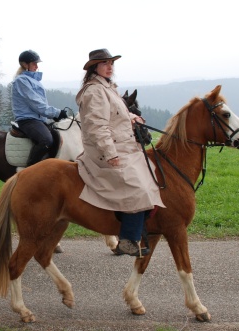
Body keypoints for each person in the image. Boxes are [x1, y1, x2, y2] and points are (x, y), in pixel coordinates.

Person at [75, 49, 165, 257]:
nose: (110, 66)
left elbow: (117, 112)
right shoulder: (94, 91)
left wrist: (132, 117)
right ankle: (128, 238)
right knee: (139, 188)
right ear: (93, 68)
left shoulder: (108, 88)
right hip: (104, 151)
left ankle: (141, 231)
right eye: (105, 63)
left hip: (124, 145)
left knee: (151, 176)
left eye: (111, 63)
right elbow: (97, 126)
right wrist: (110, 154)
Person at [12, 49, 68, 166]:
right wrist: (56, 113)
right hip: (27, 120)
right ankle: (29, 171)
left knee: (57, 137)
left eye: (37, 64)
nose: (37, 66)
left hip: (39, 120)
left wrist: (54, 115)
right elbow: (35, 102)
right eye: (34, 63)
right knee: (46, 140)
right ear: (25, 64)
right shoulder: (21, 81)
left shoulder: (34, 80)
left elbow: (42, 105)